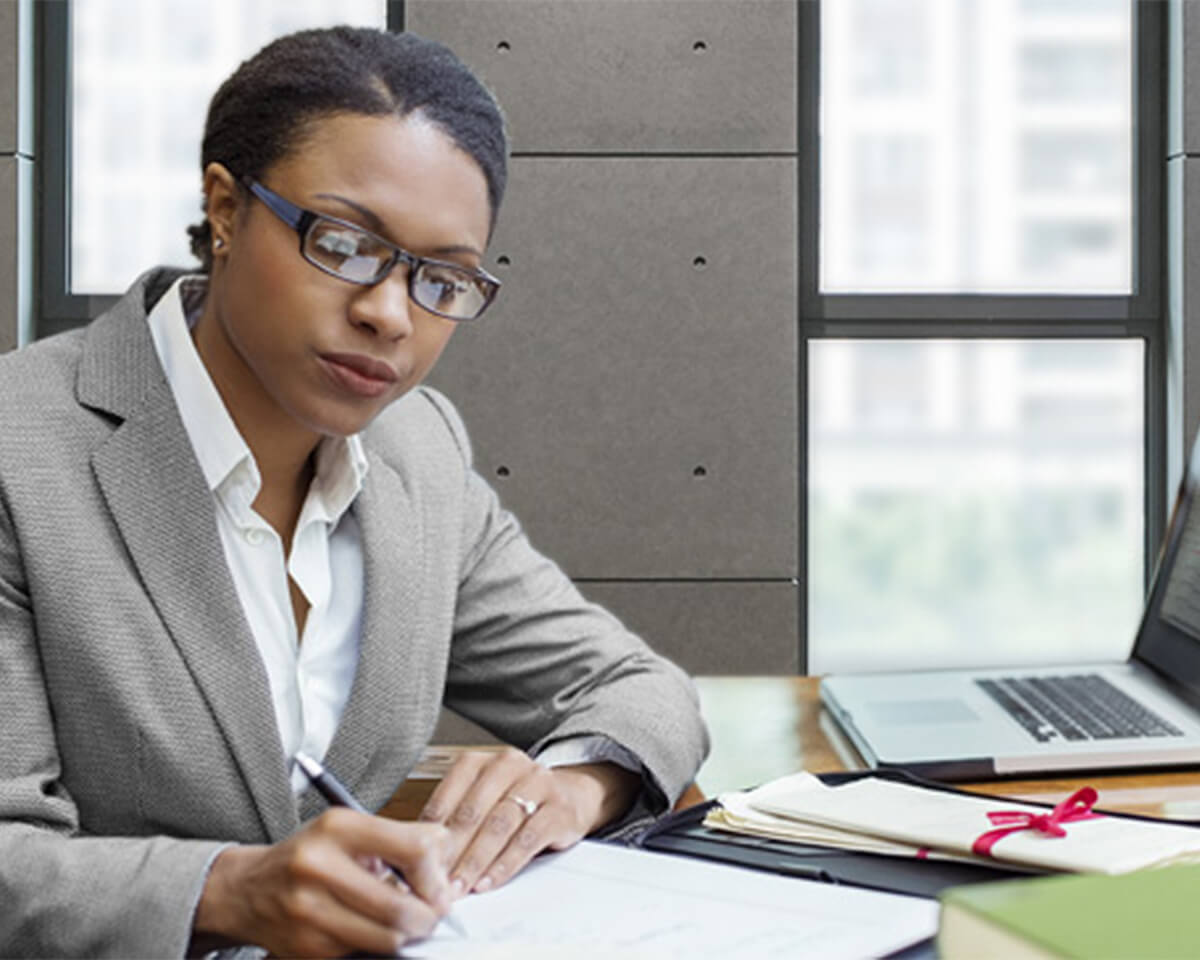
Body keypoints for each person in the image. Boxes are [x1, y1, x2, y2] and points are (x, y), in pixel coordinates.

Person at [0, 26, 708, 958]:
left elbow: (640, 688)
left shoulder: (419, 451)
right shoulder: (22, 451)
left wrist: (575, 784)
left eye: (443, 277)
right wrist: (228, 889)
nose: (388, 312)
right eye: (343, 244)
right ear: (224, 207)